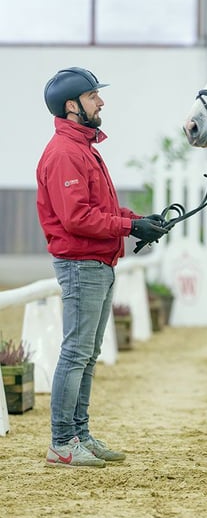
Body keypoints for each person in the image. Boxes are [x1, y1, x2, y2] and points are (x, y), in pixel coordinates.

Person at [37, 67, 168, 468]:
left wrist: (138, 218)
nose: (101, 102)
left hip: (98, 263)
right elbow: (77, 218)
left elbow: (101, 210)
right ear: (72, 106)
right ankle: (62, 442)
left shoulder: (83, 148)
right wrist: (129, 226)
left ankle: (79, 433)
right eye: (94, 96)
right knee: (76, 353)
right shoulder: (64, 154)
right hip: (82, 264)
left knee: (87, 354)